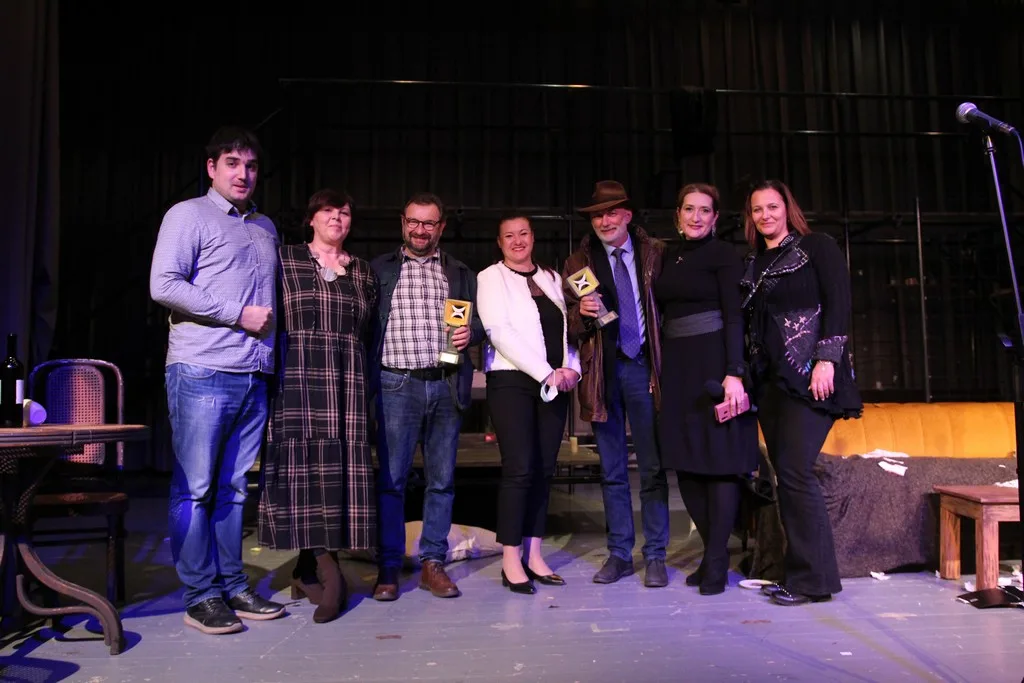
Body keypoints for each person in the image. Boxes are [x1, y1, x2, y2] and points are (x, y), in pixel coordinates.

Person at [150, 126, 285, 635]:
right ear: (211, 167)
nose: (242, 173)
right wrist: (236, 313)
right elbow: (163, 284)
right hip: (202, 368)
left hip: (253, 372)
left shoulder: (265, 226)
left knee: (234, 489)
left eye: (250, 165)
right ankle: (200, 595)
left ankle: (232, 585)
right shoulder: (187, 215)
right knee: (196, 488)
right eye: (232, 163)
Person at [257, 189, 378, 624]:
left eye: (344, 212)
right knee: (304, 471)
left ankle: (307, 569)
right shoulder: (285, 260)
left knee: (338, 474)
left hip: (346, 382)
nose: (336, 218)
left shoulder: (362, 272)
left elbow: (369, 333)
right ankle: (329, 572)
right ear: (311, 219)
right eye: (328, 211)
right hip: (298, 378)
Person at [740, 179, 862, 607]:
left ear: (787, 208)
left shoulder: (816, 247)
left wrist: (828, 358)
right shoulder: (754, 264)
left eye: (772, 206)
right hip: (772, 383)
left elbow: (838, 300)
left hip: (811, 377)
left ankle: (812, 580)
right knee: (786, 476)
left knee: (794, 471)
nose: (765, 215)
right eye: (757, 209)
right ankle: (804, 575)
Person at [370, 192, 485, 601]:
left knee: (441, 481)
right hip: (395, 385)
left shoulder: (459, 272)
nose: (420, 230)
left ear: (441, 227)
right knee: (392, 482)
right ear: (403, 223)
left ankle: (432, 563)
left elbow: (481, 323)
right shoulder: (379, 270)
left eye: (429, 223)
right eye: (414, 222)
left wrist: (472, 333)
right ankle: (388, 567)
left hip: (444, 383)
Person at [562, 180, 671, 588]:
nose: (604, 221)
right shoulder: (578, 263)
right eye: (597, 215)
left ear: (627, 214)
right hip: (603, 374)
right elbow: (567, 325)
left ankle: (656, 554)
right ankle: (620, 553)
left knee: (653, 468)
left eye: (611, 212)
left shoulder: (656, 253)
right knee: (612, 470)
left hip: (644, 369)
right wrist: (582, 312)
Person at [654, 183, 760, 595]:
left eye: (704, 210)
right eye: (688, 209)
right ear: (677, 215)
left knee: (720, 461)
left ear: (715, 217)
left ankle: (716, 558)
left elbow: (734, 317)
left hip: (714, 361)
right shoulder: (667, 256)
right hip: (677, 367)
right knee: (686, 463)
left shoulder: (724, 254)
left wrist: (734, 371)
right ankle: (713, 552)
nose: (695, 217)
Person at [477, 214, 581, 594]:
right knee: (519, 468)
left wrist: (572, 370)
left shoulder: (551, 277)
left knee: (544, 469)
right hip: (512, 382)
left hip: (554, 383)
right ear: (500, 242)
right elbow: (499, 332)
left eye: (523, 233)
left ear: (533, 237)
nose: (517, 240)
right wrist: (546, 373)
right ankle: (511, 558)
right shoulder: (491, 277)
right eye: (509, 235)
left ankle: (535, 555)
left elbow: (567, 332)